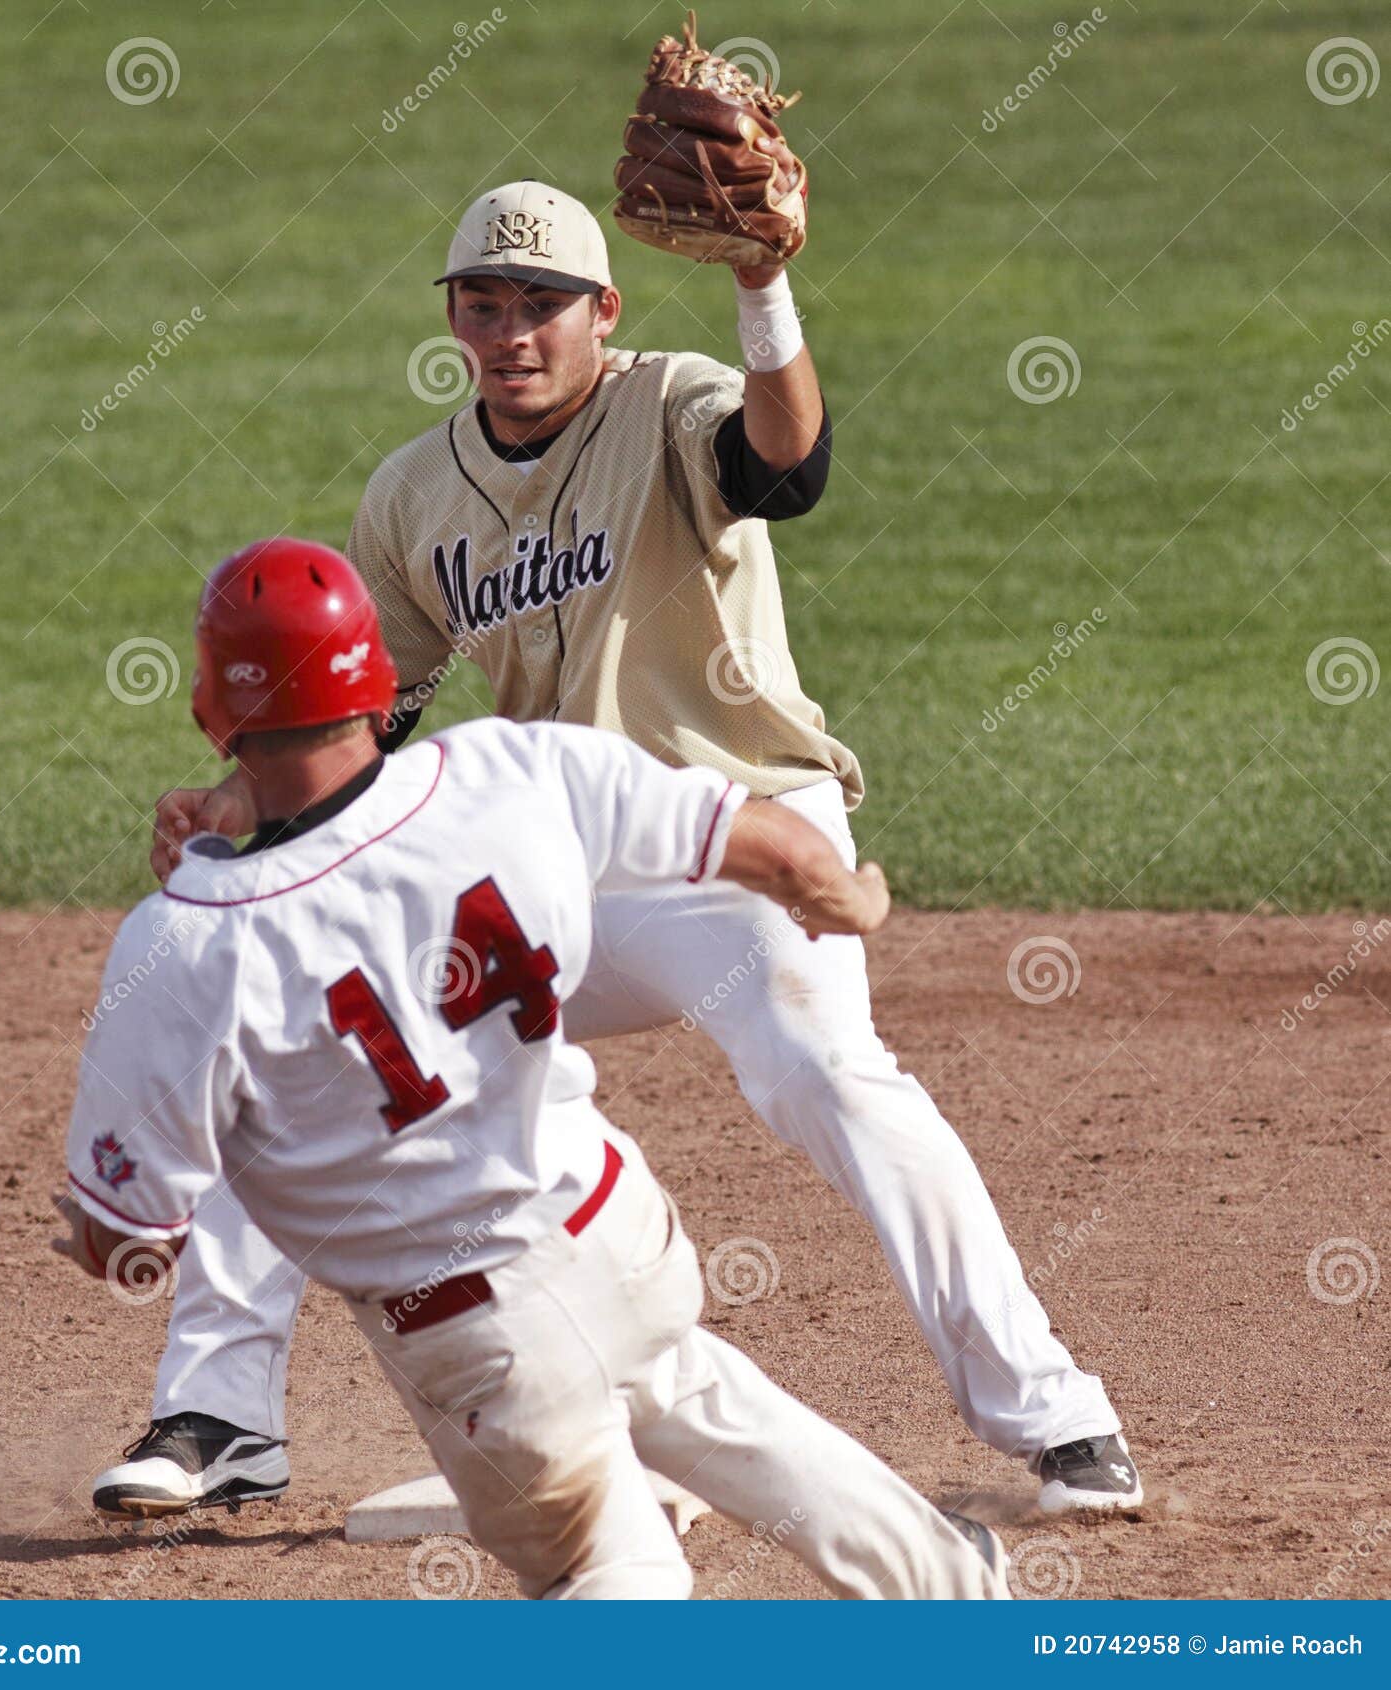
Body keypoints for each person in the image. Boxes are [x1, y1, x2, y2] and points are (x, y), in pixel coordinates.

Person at [106, 181, 1139, 1523]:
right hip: (561, 866)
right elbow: (363, 724)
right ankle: (218, 1416)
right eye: (484, 304)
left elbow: (787, 467)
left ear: (603, 310)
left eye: (541, 305)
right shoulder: (410, 494)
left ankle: (1055, 1412)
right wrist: (226, 802)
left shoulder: (671, 402)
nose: (511, 332)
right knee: (316, 1046)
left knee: (827, 1071)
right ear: (453, 318)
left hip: (740, 835)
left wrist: (762, 284)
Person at [56, 537, 1008, 1600]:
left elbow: (128, 1239)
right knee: (685, 1386)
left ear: (212, 719)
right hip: (620, 1234)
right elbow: (783, 850)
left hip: (485, 1347)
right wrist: (848, 897)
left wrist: (101, 1225)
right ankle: (952, 1590)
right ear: (381, 686)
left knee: (613, 1571)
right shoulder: (510, 771)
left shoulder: (183, 943)